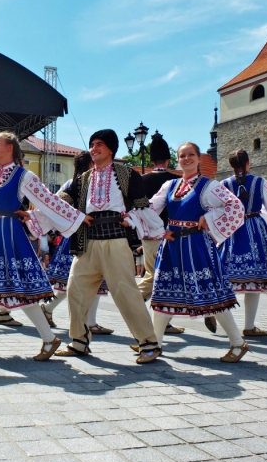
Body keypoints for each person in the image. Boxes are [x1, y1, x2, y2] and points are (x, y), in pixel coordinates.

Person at [0, 131, 84, 360]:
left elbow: (49, 201)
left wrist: (77, 218)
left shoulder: (23, 176)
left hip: (9, 235)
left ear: (10, 148)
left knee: (21, 289)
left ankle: (48, 338)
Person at [55, 129, 164, 364]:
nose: (94, 148)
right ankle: (79, 341)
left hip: (116, 239)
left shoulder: (127, 174)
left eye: (99, 144)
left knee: (125, 293)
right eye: (92, 144)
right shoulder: (83, 178)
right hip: (88, 240)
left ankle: (149, 343)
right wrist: (73, 213)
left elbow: (141, 206)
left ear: (111, 149)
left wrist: (132, 220)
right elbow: (63, 197)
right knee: (75, 289)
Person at [150, 142, 250, 362]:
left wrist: (210, 217)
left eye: (191, 155)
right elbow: (151, 208)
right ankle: (154, 344)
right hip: (172, 245)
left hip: (196, 245)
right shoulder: (170, 185)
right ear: (177, 159)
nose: (186, 159)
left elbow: (235, 207)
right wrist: (156, 229)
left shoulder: (209, 186)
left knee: (211, 294)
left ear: (197, 157)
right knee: (163, 292)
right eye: (182, 155)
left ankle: (237, 342)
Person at [219, 149, 267, 337]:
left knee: (225, 276)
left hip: (232, 230)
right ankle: (249, 326)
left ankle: (215, 310)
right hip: (255, 230)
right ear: (248, 163)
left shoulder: (224, 184)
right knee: (254, 281)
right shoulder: (259, 182)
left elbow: (215, 210)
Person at [40, 151, 112, 335]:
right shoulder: (90, 183)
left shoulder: (70, 183)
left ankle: (49, 309)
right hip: (89, 236)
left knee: (72, 282)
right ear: (90, 165)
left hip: (71, 236)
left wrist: (67, 222)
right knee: (93, 280)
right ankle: (90, 322)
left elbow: (55, 203)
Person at [137, 133, 186, 334]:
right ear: (168, 160)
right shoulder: (177, 181)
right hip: (171, 235)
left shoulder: (140, 180)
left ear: (151, 160)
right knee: (165, 276)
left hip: (148, 235)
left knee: (153, 273)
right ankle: (134, 301)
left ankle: (162, 320)